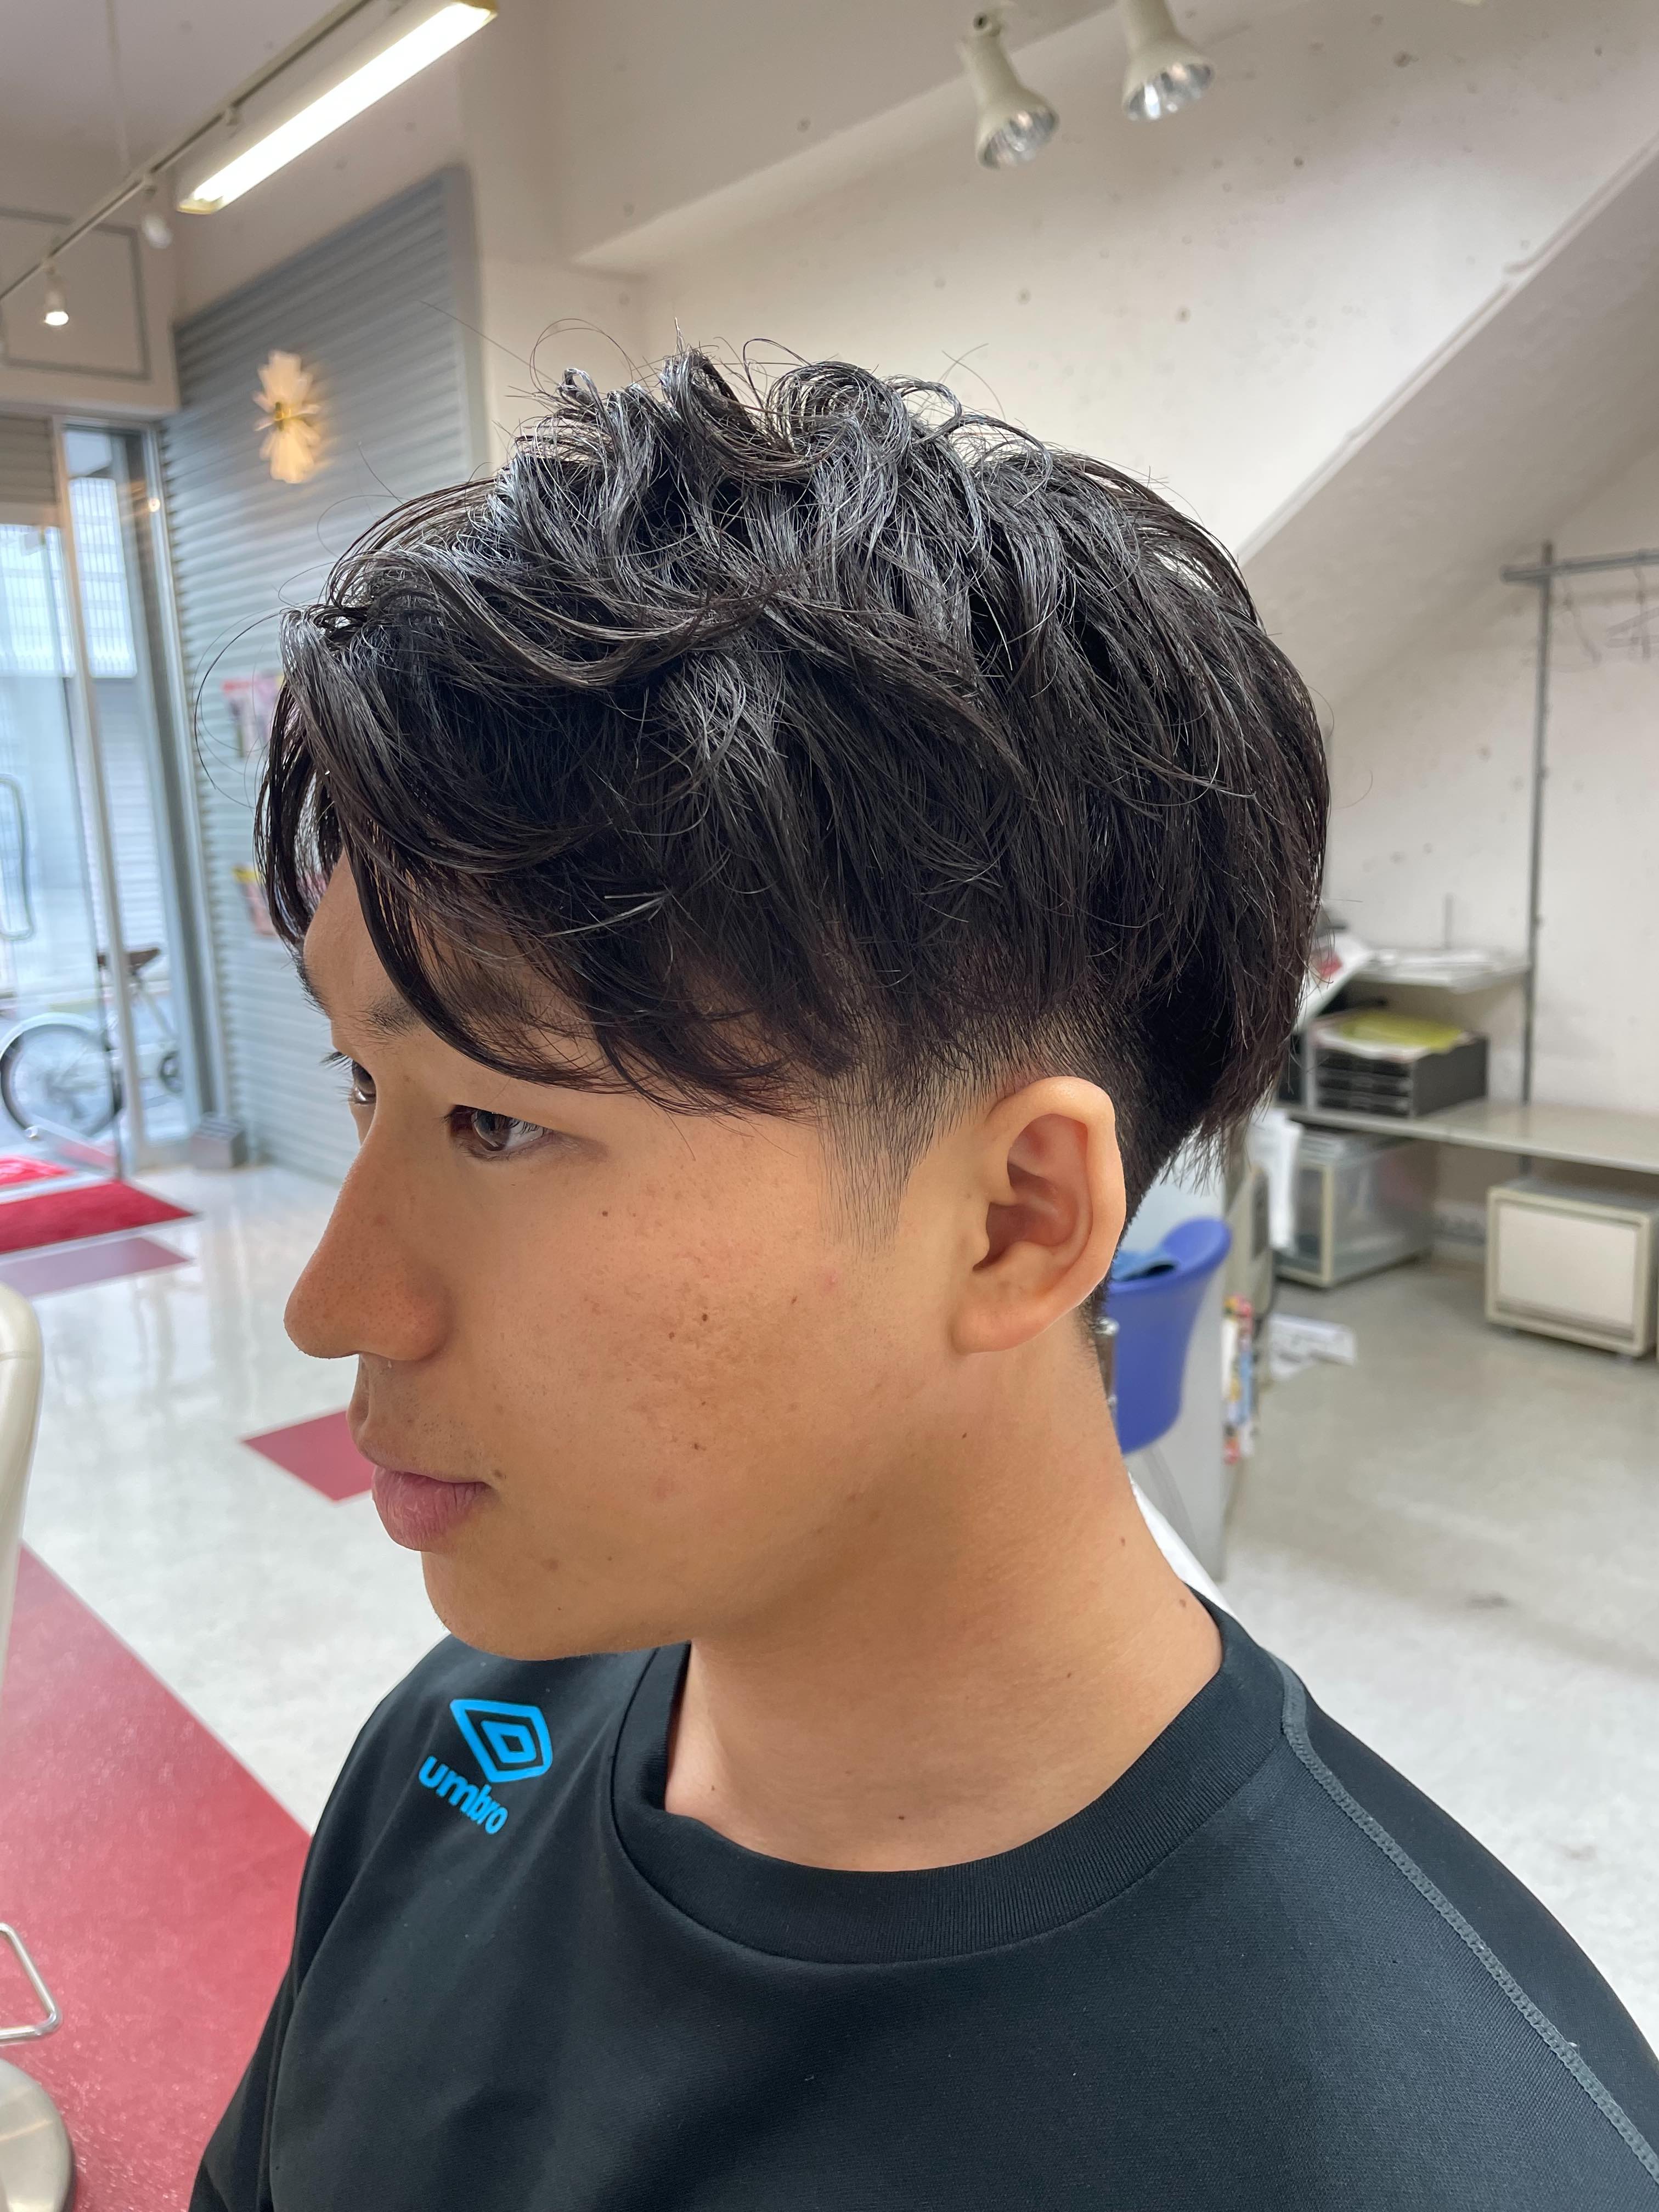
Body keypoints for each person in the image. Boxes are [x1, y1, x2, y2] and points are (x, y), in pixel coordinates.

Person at [194, 352, 1658, 2210]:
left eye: (497, 1120)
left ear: (1018, 1221)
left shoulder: (1451, 2157)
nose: (334, 1302)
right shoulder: (453, 1754)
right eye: (362, 1083)